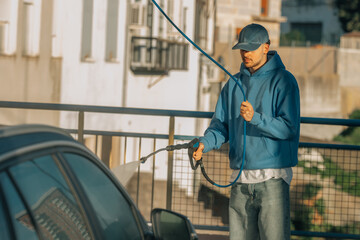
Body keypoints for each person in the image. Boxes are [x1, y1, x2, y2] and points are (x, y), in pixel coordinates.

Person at [193, 23, 300, 240]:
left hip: (273, 180)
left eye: (251, 48)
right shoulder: (233, 84)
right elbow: (220, 127)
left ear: (266, 47)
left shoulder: (284, 80)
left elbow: (289, 128)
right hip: (239, 181)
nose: (246, 53)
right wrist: (204, 143)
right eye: (242, 48)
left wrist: (256, 118)